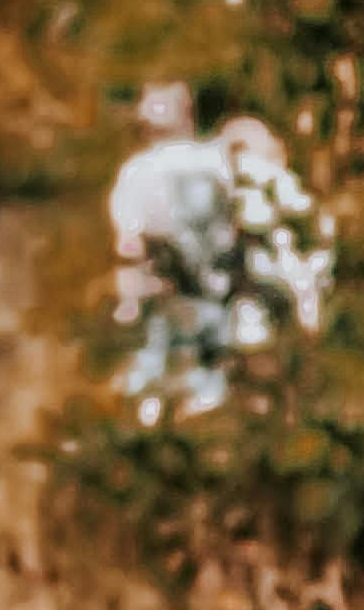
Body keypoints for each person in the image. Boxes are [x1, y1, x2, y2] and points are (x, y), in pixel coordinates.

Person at [106, 80, 329, 421]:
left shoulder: (138, 173)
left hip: (186, 305)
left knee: (162, 390)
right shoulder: (223, 159)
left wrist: (132, 303)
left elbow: (129, 248)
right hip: (234, 303)